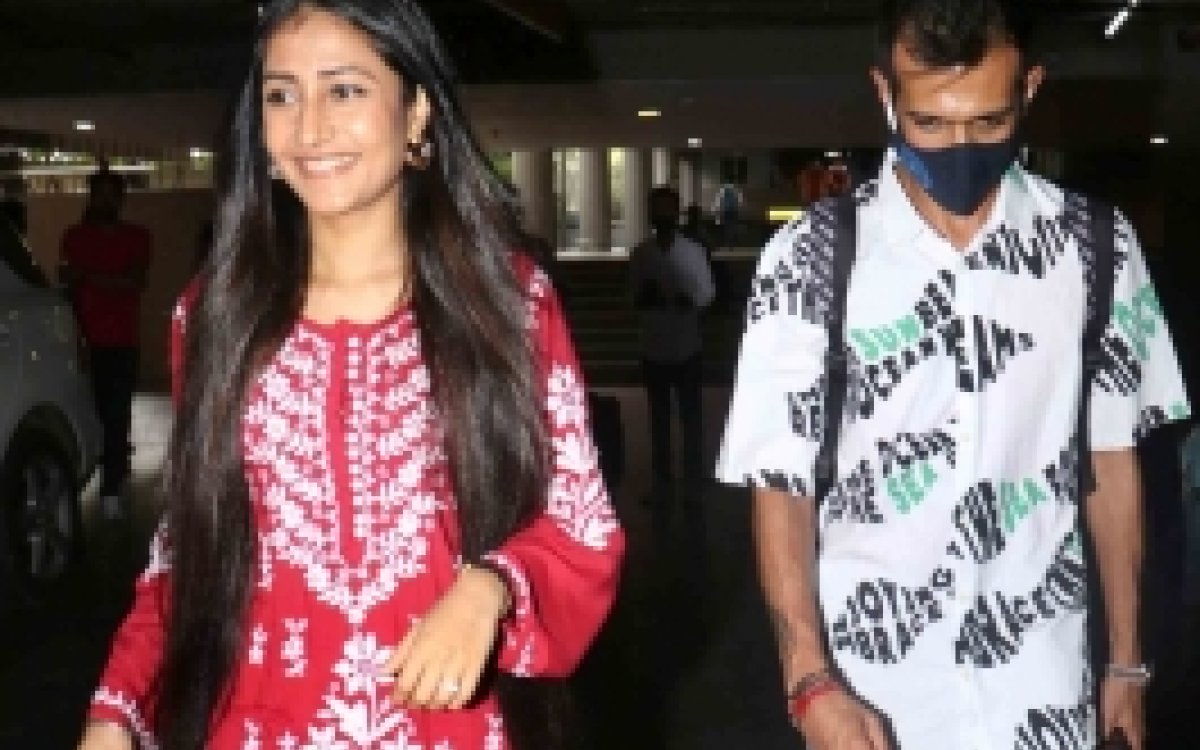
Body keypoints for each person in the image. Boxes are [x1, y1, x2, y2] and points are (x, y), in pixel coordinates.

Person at [77, 1, 624, 748]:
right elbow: (190, 547)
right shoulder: (214, 315)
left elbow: (580, 527)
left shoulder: (507, 304)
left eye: (344, 89)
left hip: (450, 729)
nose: (310, 128)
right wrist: (117, 707)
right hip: (259, 726)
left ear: (416, 112)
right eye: (282, 95)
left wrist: (491, 586)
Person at [715, 2, 1190, 750]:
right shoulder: (812, 258)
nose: (960, 147)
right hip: (872, 692)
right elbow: (782, 483)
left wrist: (1126, 665)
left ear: (1029, 89)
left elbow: (1110, 461)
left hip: (1042, 686)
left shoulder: (1098, 250)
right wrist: (808, 679)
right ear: (885, 95)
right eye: (930, 123)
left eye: (989, 121)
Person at [60, 168, 152, 517]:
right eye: (99, 195)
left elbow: (135, 282)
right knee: (91, 413)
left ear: (121, 199)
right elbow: (68, 284)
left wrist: (87, 276)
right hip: (84, 341)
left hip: (122, 340)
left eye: (112, 195)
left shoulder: (137, 236)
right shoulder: (74, 237)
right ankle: (111, 470)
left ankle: (111, 487)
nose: (105, 202)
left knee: (116, 413)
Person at [629, 186, 715, 534]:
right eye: (657, 209)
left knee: (691, 420)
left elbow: (708, 292)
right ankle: (662, 483)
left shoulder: (693, 251)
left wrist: (688, 299)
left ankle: (694, 483)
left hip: (687, 346)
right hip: (653, 346)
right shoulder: (641, 254)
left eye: (667, 209)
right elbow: (630, 295)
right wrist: (645, 297)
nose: (662, 216)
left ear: (676, 213)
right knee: (659, 421)